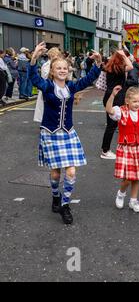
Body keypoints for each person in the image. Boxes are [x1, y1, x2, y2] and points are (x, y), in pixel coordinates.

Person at [28, 42, 102, 224]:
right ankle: (55, 196)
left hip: (68, 133)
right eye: (58, 68)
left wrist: (98, 64)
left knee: (70, 172)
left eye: (64, 68)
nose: (62, 70)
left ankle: (65, 204)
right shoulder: (46, 86)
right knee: (55, 174)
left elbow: (88, 80)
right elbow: (33, 78)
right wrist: (34, 58)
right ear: (52, 71)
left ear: (68, 70)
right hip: (51, 133)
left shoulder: (71, 87)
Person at [100, 50, 134, 160]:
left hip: (109, 96)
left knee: (113, 124)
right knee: (113, 125)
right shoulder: (119, 68)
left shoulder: (110, 66)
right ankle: (105, 150)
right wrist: (124, 55)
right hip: (116, 97)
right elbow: (130, 66)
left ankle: (107, 149)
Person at [34, 47, 63, 123]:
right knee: (46, 107)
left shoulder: (54, 64)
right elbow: (45, 76)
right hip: (48, 88)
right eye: (57, 54)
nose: (58, 56)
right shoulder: (47, 65)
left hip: (55, 88)